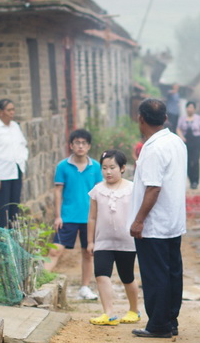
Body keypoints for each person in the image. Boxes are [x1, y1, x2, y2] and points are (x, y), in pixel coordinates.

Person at [128, 98, 187, 338]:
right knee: (172, 272)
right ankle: (170, 320)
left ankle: (159, 325)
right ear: (164, 118)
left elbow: (153, 188)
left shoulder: (153, 149)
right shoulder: (176, 142)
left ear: (140, 119)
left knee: (155, 275)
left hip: (154, 224)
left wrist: (139, 220)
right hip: (173, 220)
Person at [87, 149, 140, 326]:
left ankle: (134, 310)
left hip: (127, 242)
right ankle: (108, 312)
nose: (108, 172)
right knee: (101, 274)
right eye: (104, 168)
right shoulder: (97, 190)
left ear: (123, 168)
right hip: (103, 242)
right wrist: (90, 241)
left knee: (127, 276)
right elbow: (92, 217)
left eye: (112, 167)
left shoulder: (132, 189)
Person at [50, 129, 102, 301]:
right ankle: (40, 282)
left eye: (84, 143)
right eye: (77, 143)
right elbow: (58, 192)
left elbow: (100, 193)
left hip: (90, 218)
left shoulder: (95, 167)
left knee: (88, 253)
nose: (80, 146)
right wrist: (58, 216)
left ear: (89, 146)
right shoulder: (63, 166)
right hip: (67, 217)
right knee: (54, 251)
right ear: (71, 145)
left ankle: (85, 287)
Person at [0, 99, 29, 228]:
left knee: (14, 206)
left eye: (13, 109)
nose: (12, 113)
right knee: (1, 208)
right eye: (9, 110)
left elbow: (23, 144)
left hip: (15, 170)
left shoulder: (15, 126)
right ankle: (0, 236)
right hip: (1, 175)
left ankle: (14, 234)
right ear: (0, 112)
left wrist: (22, 159)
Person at [176, 100, 200, 190]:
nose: (189, 109)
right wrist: (181, 137)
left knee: (195, 161)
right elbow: (178, 129)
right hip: (186, 142)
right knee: (187, 161)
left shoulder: (198, 118)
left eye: (191, 107)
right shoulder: (182, 119)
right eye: (188, 107)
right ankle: (191, 180)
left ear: (195, 109)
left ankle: (196, 181)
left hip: (196, 141)